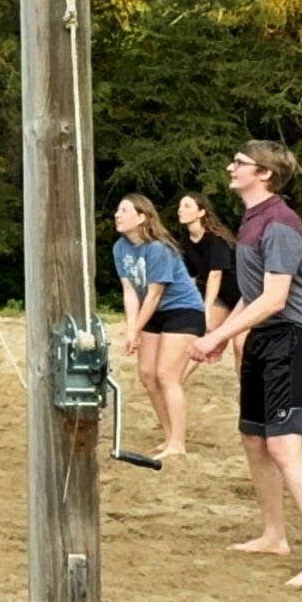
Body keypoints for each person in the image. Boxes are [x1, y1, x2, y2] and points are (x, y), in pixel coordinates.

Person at [190, 141, 302, 588]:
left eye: (239, 163)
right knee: (254, 438)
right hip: (265, 336)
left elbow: (277, 298)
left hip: (296, 339)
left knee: (283, 447)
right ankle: (274, 535)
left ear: (265, 175)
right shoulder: (252, 220)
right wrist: (227, 335)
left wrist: (219, 333)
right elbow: (253, 297)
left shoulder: (279, 222)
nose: (230, 167)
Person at [112, 194, 209, 457]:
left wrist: (135, 331)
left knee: (167, 375)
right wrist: (131, 331)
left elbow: (155, 293)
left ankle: (178, 443)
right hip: (153, 312)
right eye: (117, 211)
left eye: (124, 210)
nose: (117, 215)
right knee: (147, 375)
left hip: (183, 310)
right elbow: (130, 292)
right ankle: (169, 435)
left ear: (142, 217)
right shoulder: (120, 248)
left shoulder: (158, 248)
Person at [177, 192, 241, 366]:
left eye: (187, 206)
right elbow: (190, 276)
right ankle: (175, 384)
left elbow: (215, 275)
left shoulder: (215, 239)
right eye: (180, 206)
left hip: (244, 297)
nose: (180, 210)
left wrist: (206, 308)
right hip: (222, 298)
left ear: (201, 212)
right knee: (200, 337)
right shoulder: (186, 240)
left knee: (241, 346)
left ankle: (247, 392)